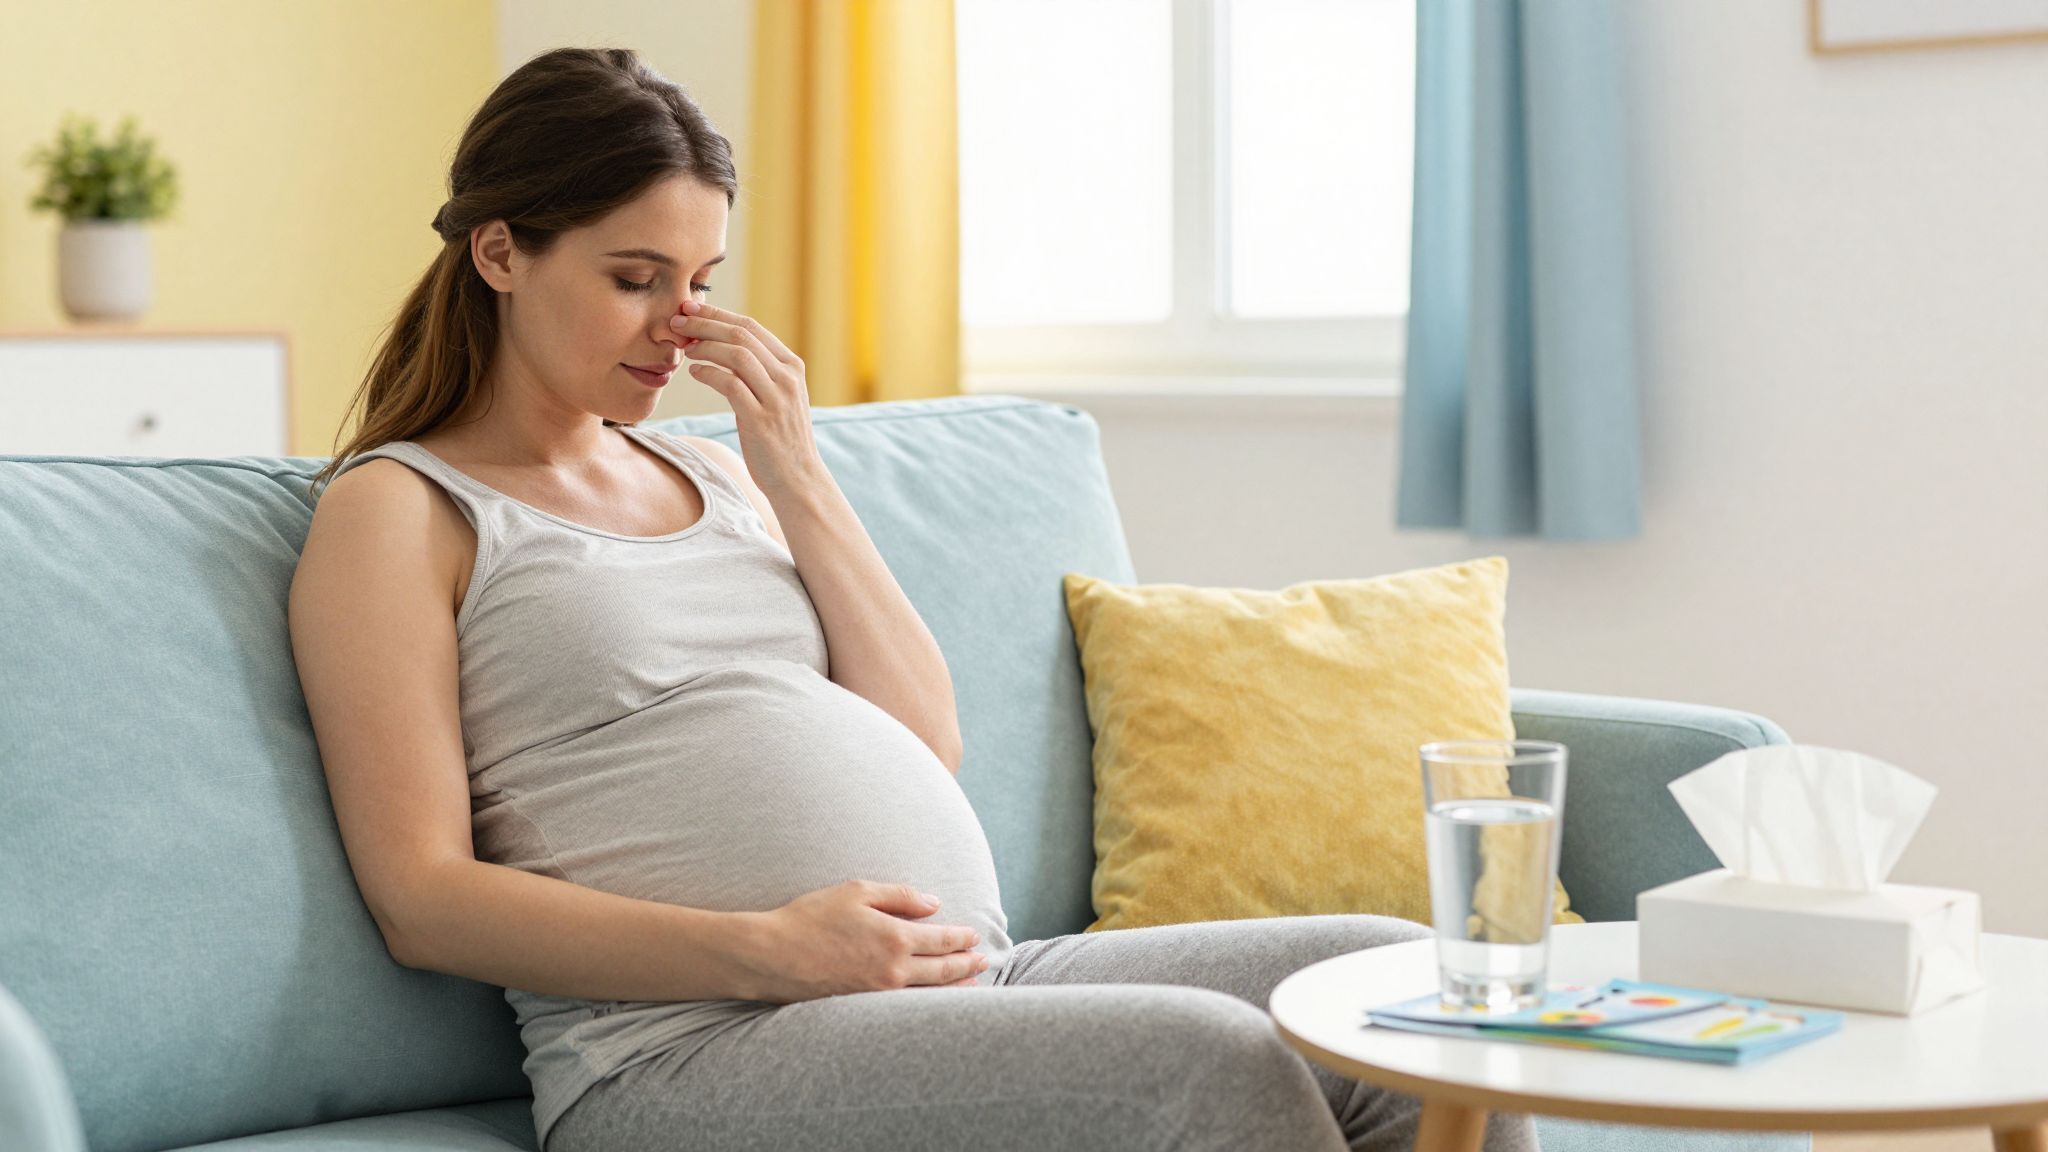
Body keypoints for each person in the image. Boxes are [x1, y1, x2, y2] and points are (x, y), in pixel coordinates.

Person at [288, 46, 1539, 1152]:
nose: (680, 324)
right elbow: (421, 896)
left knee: (1406, 977)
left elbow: (923, 743)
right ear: (501, 251)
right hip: (684, 1047)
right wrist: (767, 949)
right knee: (1199, 1069)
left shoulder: (716, 471)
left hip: (965, 979)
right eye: (634, 277)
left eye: (701, 280)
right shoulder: (402, 512)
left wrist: (794, 467)